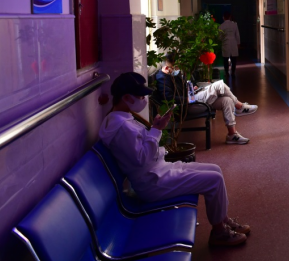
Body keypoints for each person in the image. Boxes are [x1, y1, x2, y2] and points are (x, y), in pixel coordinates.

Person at [98, 72, 250, 246]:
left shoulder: (122, 119)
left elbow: (140, 151)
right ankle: (219, 232)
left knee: (215, 169)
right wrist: (156, 130)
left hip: (159, 170)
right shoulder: (122, 128)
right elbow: (141, 159)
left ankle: (222, 219)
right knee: (214, 180)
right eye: (140, 97)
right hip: (153, 182)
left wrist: (156, 129)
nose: (143, 100)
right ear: (126, 98)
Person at [156, 55, 257, 144]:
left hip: (193, 98)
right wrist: (187, 99)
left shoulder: (171, 75)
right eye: (174, 68)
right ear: (166, 68)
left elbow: (182, 86)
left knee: (227, 100)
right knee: (219, 85)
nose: (177, 70)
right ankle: (239, 106)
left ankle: (232, 135)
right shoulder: (162, 78)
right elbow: (169, 98)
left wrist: (192, 87)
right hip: (187, 105)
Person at [219, 13, 240, 77]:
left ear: (223, 17)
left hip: (225, 43)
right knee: (234, 59)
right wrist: (238, 43)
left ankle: (226, 72)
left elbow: (220, 36)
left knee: (225, 59)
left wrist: (220, 41)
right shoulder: (234, 25)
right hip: (233, 42)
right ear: (230, 17)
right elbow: (237, 35)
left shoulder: (221, 26)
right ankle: (233, 72)